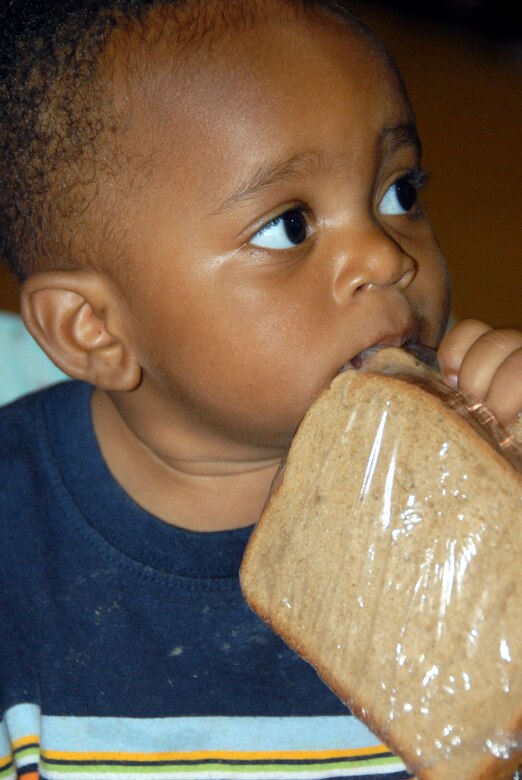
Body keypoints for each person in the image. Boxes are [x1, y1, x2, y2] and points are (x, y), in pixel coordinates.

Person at [0, 0, 521, 777]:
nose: (384, 259)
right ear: (93, 330)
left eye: (399, 192)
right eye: (289, 226)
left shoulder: (484, 476)